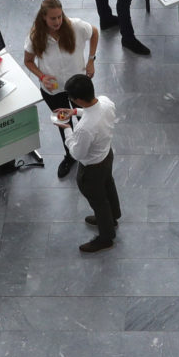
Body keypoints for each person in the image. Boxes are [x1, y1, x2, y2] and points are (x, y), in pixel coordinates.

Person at [24, 0, 96, 178]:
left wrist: (91, 60)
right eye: (53, 18)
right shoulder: (35, 36)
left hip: (78, 86)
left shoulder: (76, 26)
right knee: (63, 123)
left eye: (59, 17)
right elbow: (28, 61)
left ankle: (87, 151)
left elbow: (94, 32)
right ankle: (70, 155)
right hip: (53, 91)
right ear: (43, 18)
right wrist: (41, 76)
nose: (57, 22)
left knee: (85, 119)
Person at [56, 74, 118, 252]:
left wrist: (67, 129)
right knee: (109, 186)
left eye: (71, 99)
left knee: (98, 200)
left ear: (79, 99)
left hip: (92, 168)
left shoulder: (84, 129)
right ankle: (113, 217)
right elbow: (94, 111)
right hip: (106, 155)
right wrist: (74, 112)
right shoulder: (106, 102)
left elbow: (76, 153)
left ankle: (106, 237)